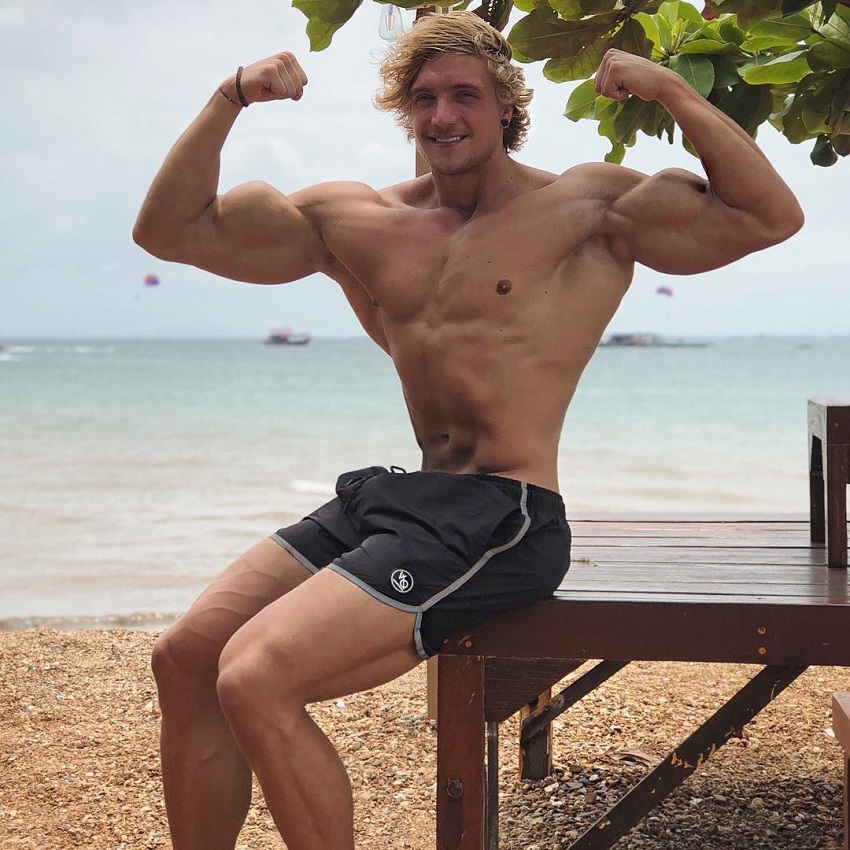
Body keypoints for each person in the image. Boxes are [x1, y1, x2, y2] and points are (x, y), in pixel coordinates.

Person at [133, 11, 803, 850]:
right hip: (407, 498)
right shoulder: (358, 220)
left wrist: (668, 88)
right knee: (186, 657)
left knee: (257, 676)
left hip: (506, 515)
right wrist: (228, 98)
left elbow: (769, 214)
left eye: (465, 96)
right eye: (424, 98)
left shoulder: (589, 208)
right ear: (404, 113)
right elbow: (169, 232)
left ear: (504, 107)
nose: (443, 115)